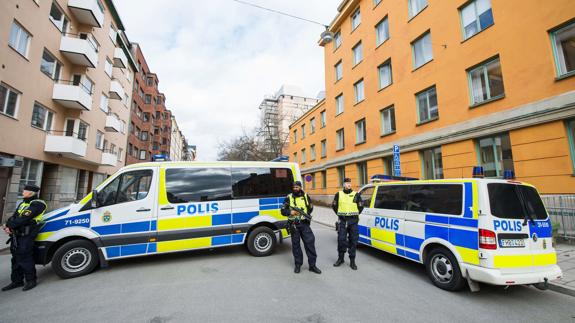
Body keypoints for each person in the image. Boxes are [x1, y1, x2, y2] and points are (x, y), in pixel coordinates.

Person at [2, 185, 47, 291]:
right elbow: (14, 216)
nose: (22, 193)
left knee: (25, 259)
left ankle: (31, 281)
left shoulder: (38, 204)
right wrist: (8, 226)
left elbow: (24, 219)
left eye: (25, 191)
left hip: (27, 236)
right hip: (16, 235)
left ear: (31, 193)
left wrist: (10, 226)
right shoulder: (23, 203)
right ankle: (17, 281)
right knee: (16, 259)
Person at [281, 181, 321, 274]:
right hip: (294, 225)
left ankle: (312, 266)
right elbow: (282, 210)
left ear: (300, 187)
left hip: (304, 224)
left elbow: (310, 208)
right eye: (294, 187)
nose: (295, 189)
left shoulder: (306, 196)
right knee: (296, 246)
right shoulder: (289, 197)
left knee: (310, 244)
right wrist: (290, 212)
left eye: (297, 187)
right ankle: (298, 265)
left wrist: (305, 216)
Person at [332, 178, 363, 270]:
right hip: (342, 221)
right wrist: (340, 214)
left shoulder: (356, 195)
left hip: (353, 221)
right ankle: (340, 259)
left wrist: (353, 216)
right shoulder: (338, 194)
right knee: (341, 240)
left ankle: (352, 261)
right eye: (347, 183)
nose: (349, 184)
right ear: (343, 184)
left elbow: (360, 207)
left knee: (353, 240)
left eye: (350, 183)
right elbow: (334, 205)